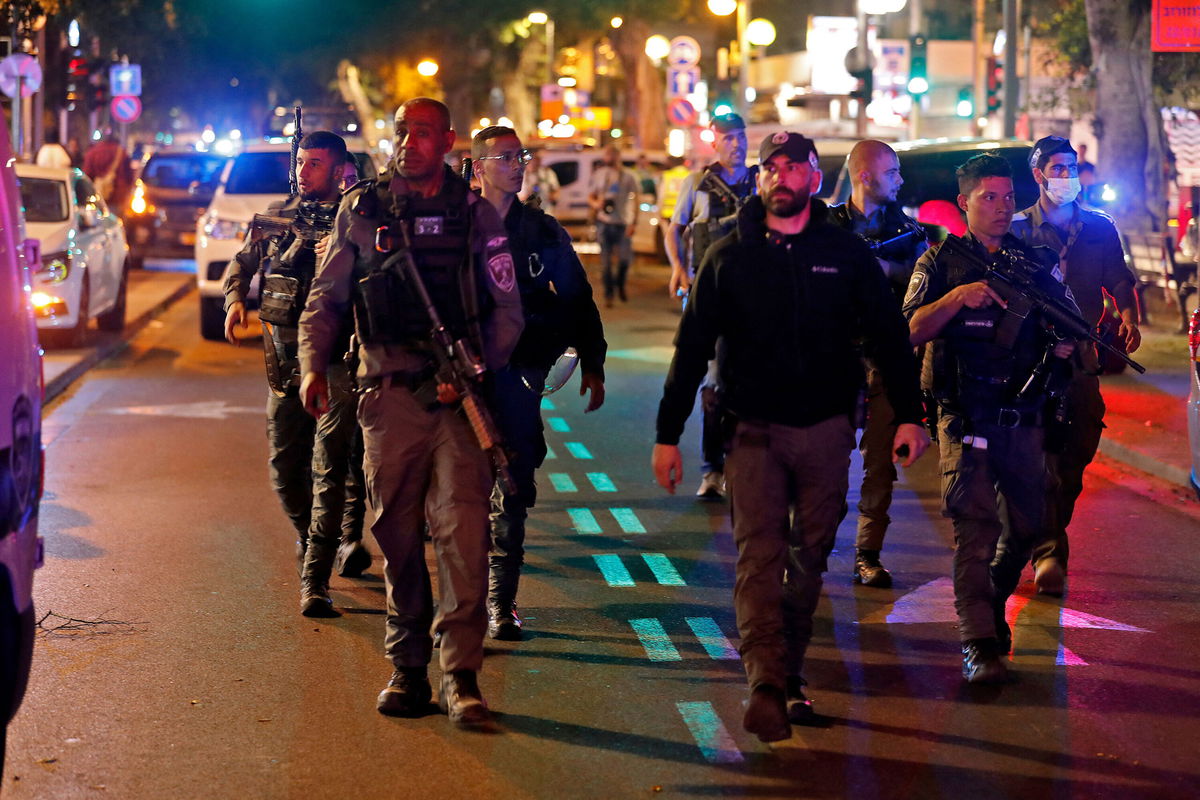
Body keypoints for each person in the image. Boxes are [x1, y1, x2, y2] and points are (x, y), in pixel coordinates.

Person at [653, 132, 929, 742]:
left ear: (812, 175)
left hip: (827, 430)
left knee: (808, 561)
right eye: (769, 168)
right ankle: (766, 686)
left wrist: (910, 415)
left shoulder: (845, 254)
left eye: (792, 167)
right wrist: (668, 434)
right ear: (763, 178)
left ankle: (791, 671)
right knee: (759, 558)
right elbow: (692, 347)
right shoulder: (730, 255)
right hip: (751, 432)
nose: (780, 177)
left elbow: (888, 336)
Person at [298, 98, 524, 727]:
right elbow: (326, 297)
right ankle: (408, 668)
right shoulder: (362, 209)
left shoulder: (476, 214)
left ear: (448, 140)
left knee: (463, 536)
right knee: (395, 535)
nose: (410, 141)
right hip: (386, 396)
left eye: (423, 132)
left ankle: (462, 677)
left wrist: (473, 371)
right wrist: (314, 364)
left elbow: (508, 313)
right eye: (403, 131)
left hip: (457, 403)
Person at [904, 153, 1079, 684]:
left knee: (1026, 527)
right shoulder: (938, 262)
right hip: (964, 416)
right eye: (989, 198)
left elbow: (1069, 321)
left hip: (1022, 415)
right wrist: (957, 298)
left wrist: (1066, 346)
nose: (1003, 208)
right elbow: (907, 329)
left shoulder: (1035, 260)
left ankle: (991, 603)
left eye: (1008, 197)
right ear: (965, 203)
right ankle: (979, 643)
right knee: (974, 532)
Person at [222, 130, 371, 617]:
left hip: (337, 366)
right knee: (286, 472)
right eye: (301, 162)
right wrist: (234, 301)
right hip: (283, 368)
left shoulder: (357, 219)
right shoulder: (277, 217)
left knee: (329, 471)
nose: (304, 171)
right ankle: (314, 541)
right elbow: (241, 264)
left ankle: (315, 581)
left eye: (315, 164)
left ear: (337, 169)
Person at [472, 126, 607, 640]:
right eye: (505, 157)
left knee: (513, 487)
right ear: (479, 165)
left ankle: (500, 603)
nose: (517, 164)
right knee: (461, 495)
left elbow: (576, 296)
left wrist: (593, 360)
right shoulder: (456, 227)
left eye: (520, 156)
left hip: (520, 377)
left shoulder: (540, 230)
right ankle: (462, 603)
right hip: (461, 380)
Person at [1010, 136, 1141, 596]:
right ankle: (1045, 548)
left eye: (1072, 167)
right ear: (1038, 174)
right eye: (1057, 168)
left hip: (1081, 361)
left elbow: (1120, 280)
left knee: (1076, 452)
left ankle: (1046, 534)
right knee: (1031, 458)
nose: (1066, 176)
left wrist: (1129, 318)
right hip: (1028, 363)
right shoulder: (1016, 230)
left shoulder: (1100, 228)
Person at [828, 140, 928, 588]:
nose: (901, 180)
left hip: (887, 361)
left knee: (880, 468)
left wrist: (887, 270)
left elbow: (925, 285)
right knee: (825, 461)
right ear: (865, 175)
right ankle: (813, 545)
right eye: (893, 172)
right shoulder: (826, 227)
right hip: (832, 362)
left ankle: (867, 554)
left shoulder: (908, 233)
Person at [665, 113, 757, 500]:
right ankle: (712, 468)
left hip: (757, 297)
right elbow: (675, 228)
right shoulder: (697, 184)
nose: (737, 144)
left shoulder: (760, 181)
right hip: (712, 295)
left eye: (741, 137)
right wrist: (678, 270)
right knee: (716, 380)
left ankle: (752, 467)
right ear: (714, 142)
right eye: (728, 138)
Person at [588, 145, 638, 307]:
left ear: (618, 156)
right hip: (604, 222)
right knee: (606, 262)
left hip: (622, 222)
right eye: (606, 156)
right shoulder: (599, 175)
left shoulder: (628, 176)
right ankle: (609, 294)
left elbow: (636, 198)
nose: (608, 159)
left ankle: (620, 284)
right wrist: (597, 205)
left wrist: (634, 222)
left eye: (611, 155)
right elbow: (591, 196)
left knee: (624, 259)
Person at [82, 134, 133, 207]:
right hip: (118, 196)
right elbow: (129, 176)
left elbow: (86, 176)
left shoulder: (92, 153)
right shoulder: (121, 153)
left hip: (98, 194)